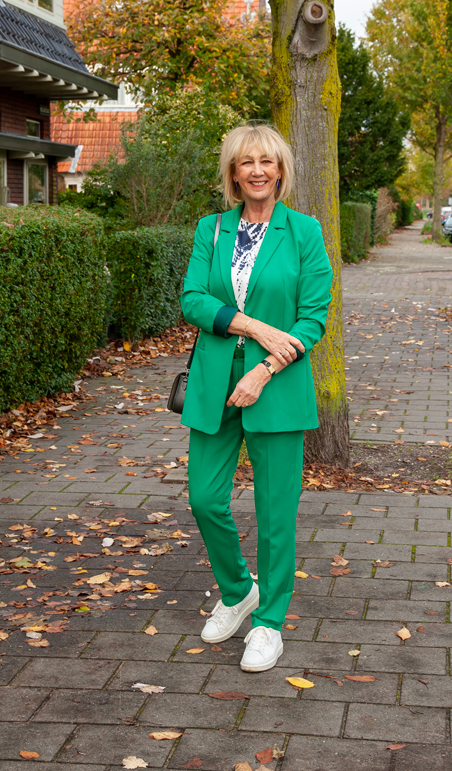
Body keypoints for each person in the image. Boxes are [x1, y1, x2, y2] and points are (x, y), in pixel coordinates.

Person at [181, 122, 332, 673]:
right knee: (204, 498)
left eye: (267, 161)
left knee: (275, 516)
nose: (258, 170)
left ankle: (268, 623)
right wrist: (253, 327)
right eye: (247, 162)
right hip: (214, 384)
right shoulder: (212, 230)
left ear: (281, 170)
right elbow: (193, 300)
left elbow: (314, 316)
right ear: (233, 172)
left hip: (278, 386)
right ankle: (237, 589)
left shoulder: (304, 232)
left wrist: (266, 366)